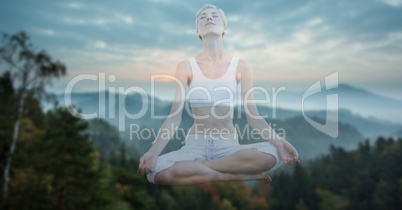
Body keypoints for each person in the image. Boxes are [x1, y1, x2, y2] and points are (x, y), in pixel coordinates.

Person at [137, 4, 300, 185]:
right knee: (155, 173)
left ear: (224, 28)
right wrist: (152, 153)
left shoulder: (241, 66)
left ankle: (202, 168)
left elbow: (254, 118)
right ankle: (228, 174)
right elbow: (174, 117)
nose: (208, 18)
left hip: (228, 147)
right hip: (195, 146)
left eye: (214, 15)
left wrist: (280, 142)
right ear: (197, 30)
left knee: (275, 154)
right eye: (203, 17)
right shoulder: (185, 66)